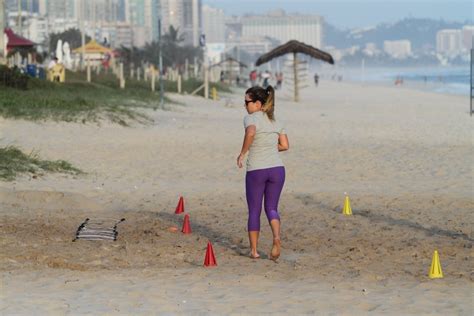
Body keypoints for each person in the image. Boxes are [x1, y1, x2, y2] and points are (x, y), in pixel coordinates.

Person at [237, 85, 289, 261]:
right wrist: (268, 147)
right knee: (272, 208)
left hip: (257, 170)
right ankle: (276, 238)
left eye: (247, 102)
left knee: (254, 210)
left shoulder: (250, 118)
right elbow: (285, 145)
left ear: (258, 103)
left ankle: (254, 251)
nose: (245, 106)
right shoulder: (276, 121)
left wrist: (243, 152)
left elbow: (251, 133)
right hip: (277, 170)